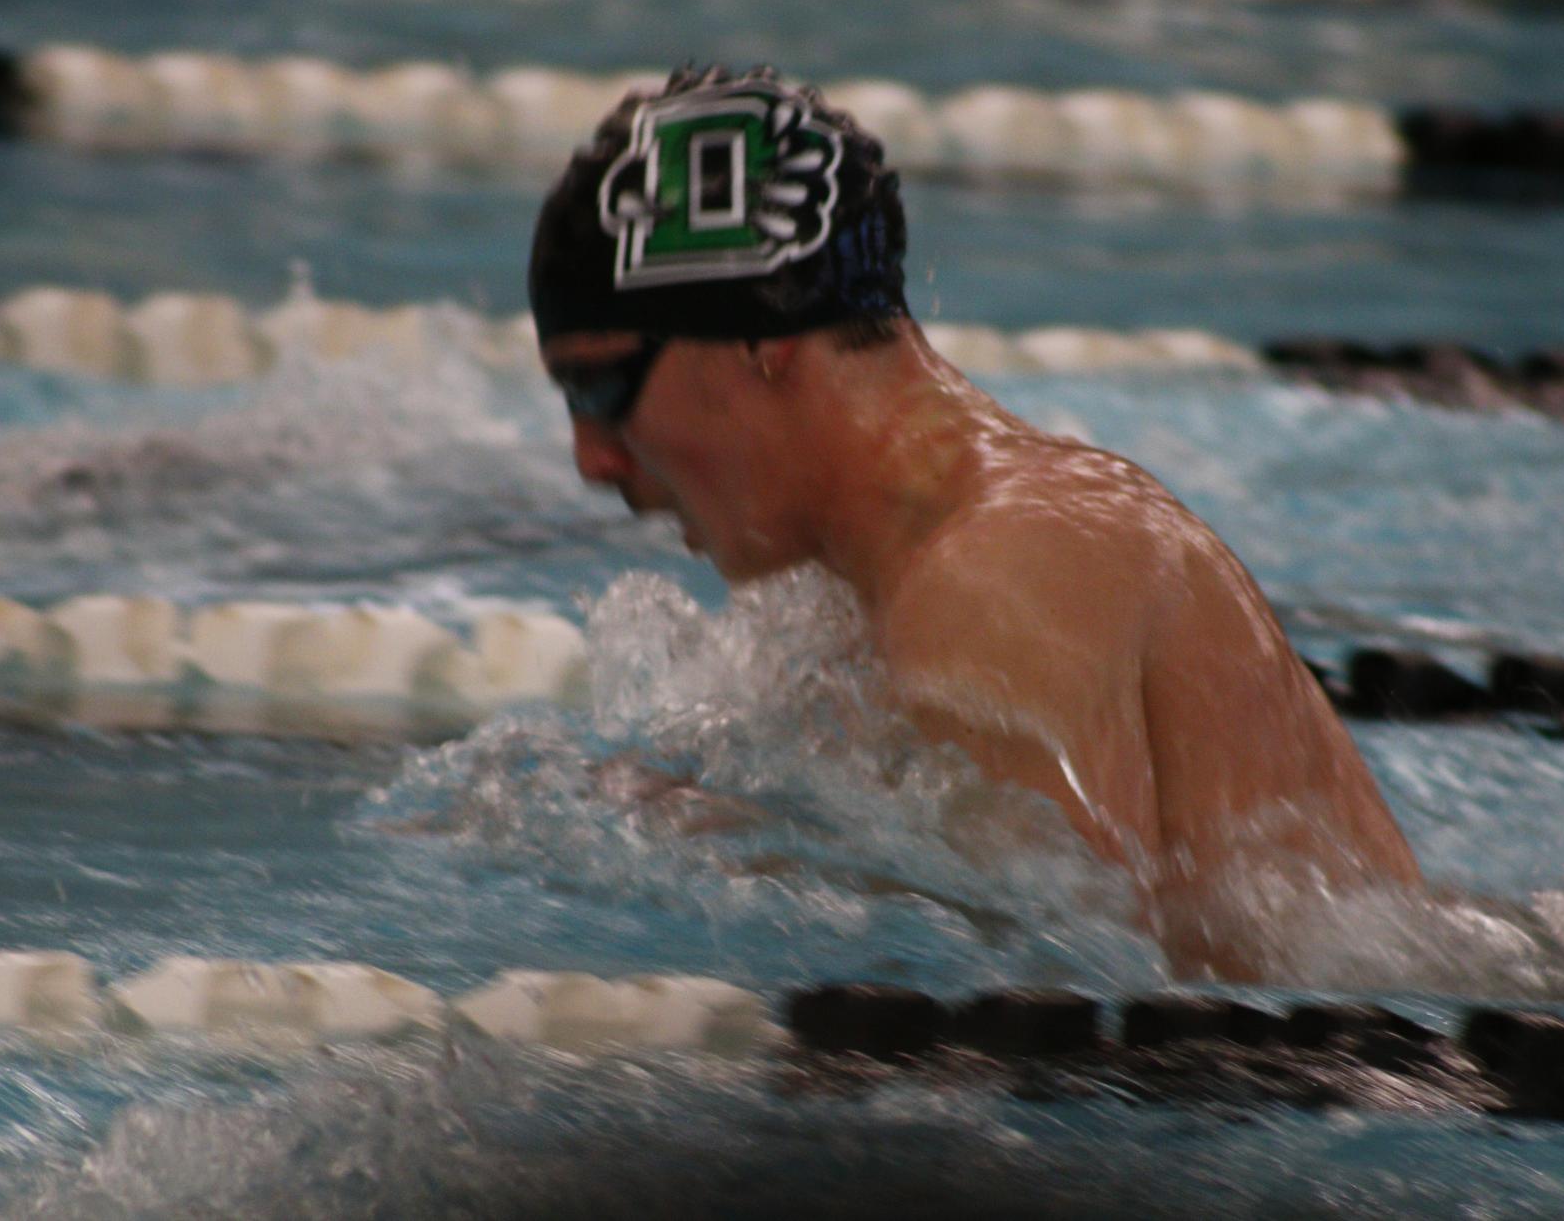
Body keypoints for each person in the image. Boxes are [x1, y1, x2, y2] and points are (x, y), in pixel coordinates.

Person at [528, 65, 1421, 979]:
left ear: (758, 333)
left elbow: (1074, 1012)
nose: (592, 459)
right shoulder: (901, 578)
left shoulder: (991, 580)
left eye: (600, 388)